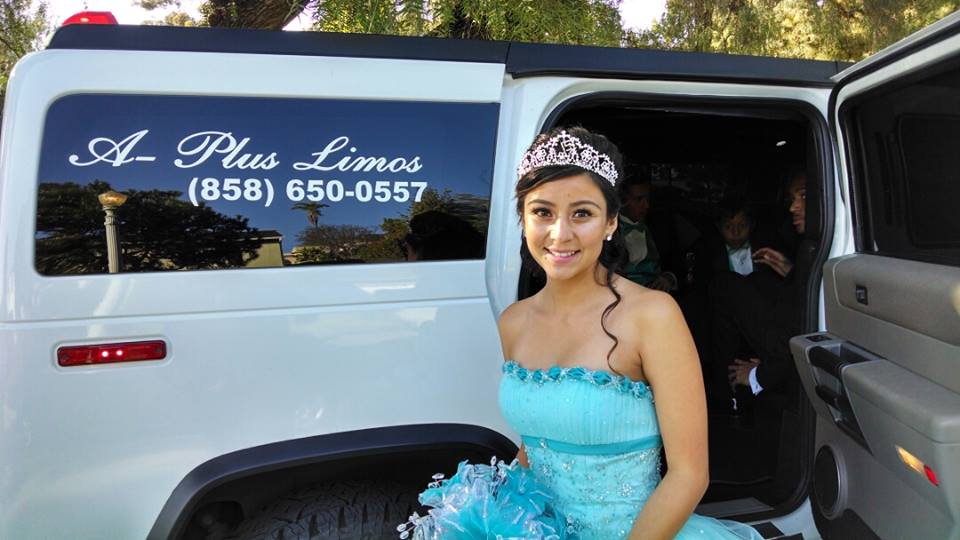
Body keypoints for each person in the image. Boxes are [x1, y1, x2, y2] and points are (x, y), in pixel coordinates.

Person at [400, 127, 762, 540]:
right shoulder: (513, 322)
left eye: (582, 213)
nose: (560, 233)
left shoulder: (652, 315)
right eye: (543, 212)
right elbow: (535, 446)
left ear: (610, 222)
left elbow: (690, 474)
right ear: (523, 219)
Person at [618, 173, 679, 292]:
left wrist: (669, 277)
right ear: (622, 200)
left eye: (648, 199)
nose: (646, 205)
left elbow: (676, 262)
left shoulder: (660, 226)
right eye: (639, 199)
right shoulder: (607, 230)